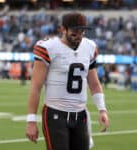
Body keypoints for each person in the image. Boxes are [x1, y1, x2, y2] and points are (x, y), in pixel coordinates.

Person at [25, 12, 109, 150]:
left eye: (82, 32)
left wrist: (102, 109)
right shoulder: (48, 47)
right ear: (63, 29)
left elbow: (94, 83)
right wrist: (31, 121)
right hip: (56, 114)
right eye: (74, 32)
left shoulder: (89, 47)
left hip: (80, 115)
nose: (79, 36)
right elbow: (35, 87)